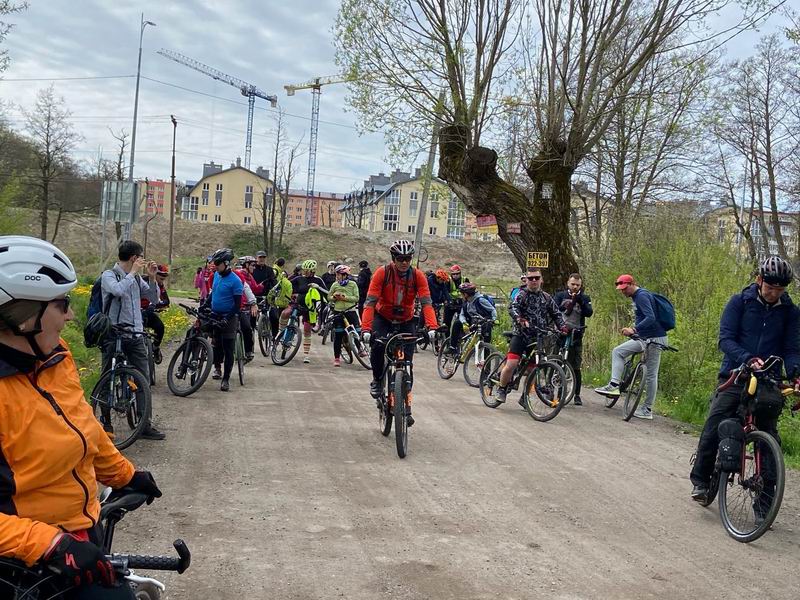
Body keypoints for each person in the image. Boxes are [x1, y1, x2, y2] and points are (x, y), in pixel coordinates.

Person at [0, 235, 162, 600]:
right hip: (23, 561)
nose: (72, 314)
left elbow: (83, 427)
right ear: (23, 314)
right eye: (62, 303)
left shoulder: (55, 356)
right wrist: (52, 544)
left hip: (78, 536)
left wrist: (124, 474)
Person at [689, 256, 800, 503]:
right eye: (770, 287)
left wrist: (794, 372)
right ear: (759, 280)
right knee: (714, 424)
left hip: (768, 380)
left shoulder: (791, 313)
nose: (774, 293)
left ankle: (765, 502)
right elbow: (725, 339)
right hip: (736, 374)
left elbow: (792, 349)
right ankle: (701, 480)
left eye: (779, 289)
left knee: (769, 437)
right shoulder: (739, 302)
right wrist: (748, 359)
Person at [361, 240, 438, 427]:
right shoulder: (382, 273)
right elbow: (370, 303)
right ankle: (377, 380)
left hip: (406, 320)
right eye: (400, 258)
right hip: (383, 317)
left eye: (408, 258)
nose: (404, 262)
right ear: (393, 258)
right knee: (378, 348)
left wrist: (432, 327)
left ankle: (404, 401)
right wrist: (366, 329)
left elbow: (427, 303)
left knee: (408, 363)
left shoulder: (417, 276)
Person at [101, 240, 164, 440]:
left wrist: (153, 278)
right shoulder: (109, 275)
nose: (142, 261)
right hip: (114, 334)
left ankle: (144, 424)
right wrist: (132, 273)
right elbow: (117, 291)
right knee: (107, 377)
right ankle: (105, 422)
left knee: (143, 379)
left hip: (136, 334)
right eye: (140, 257)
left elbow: (153, 298)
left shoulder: (136, 279)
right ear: (134, 258)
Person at [594, 274, 668, 420]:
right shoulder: (637, 296)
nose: (623, 292)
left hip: (655, 338)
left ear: (632, 284)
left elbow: (651, 317)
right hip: (644, 337)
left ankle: (647, 409)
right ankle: (614, 384)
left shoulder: (641, 295)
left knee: (651, 374)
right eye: (620, 289)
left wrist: (634, 329)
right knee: (618, 351)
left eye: (624, 288)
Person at [495, 267, 567, 405]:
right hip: (521, 335)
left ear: (541, 280)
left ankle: (524, 397)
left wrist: (562, 327)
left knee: (533, 369)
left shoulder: (546, 297)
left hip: (538, 337)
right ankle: (502, 389)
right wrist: (520, 319)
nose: (534, 281)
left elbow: (556, 314)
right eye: (530, 278)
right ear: (526, 280)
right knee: (511, 365)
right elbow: (513, 308)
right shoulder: (522, 295)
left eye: (537, 278)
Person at [554, 273, 593, 406]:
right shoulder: (560, 295)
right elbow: (554, 309)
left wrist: (580, 300)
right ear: (568, 283)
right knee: (557, 362)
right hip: (560, 333)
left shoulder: (585, 297)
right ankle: (555, 392)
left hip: (576, 335)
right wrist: (567, 304)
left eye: (578, 285)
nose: (575, 287)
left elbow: (589, 312)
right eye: (573, 284)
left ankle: (576, 394)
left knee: (575, 366)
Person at [208, 248, 243, 391]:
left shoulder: (236, 281)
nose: (215, 266)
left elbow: (237, 306)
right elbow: (213, 293)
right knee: (216, 345)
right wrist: (205, 305)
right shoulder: (216, 275)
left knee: (228, 349)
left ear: (226, 263)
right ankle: (217, 367)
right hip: (215, 314)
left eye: (217, 263)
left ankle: (226, 379)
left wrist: (227, 319)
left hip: (229, 317)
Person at [283, 259, 326, 364]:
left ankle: (306, 355)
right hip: (297, 304)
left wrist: (318, 287)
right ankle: (281, 332)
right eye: (304, 270)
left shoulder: (318, 280)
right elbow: (286, 285)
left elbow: (326, 293)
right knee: (286, 313)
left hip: (310, 308)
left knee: (307, 329)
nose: (304, 272)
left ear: (312, 271)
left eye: (307, 270)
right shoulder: (298, 278)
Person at [452, 282, 497, 360]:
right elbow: (462, 314)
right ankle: (452, 347)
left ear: (465, 294)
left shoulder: (480, 300)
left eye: (461, 294)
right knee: (457, 323)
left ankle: (486, 367)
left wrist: (494, 319)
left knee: (486, 343)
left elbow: (492, 310)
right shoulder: (466, 302)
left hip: (485, 322)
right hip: (473, 321)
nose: (461, 295)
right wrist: (464, 323)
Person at [327, 264, 361, 367]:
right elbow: (329, 297)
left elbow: (356, 298)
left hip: (350, 311)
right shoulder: (334, 285)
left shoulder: (353, 284)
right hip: (338, 312)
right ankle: (337, 358)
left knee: (357, 331)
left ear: (345, 275)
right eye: (336, 274)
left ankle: (360, 349)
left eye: (339, 274)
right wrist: (334, 297)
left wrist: (344, 298)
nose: (337, 276)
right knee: (338, 335)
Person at [235, 256, 263, 362]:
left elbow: (253, 288)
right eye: (252, 265)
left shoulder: (249, 276)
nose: (254, 267)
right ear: (246, 265)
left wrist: (262, 286)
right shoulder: (239, 274)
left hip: (248, 304)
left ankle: (248, 351)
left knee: (248, 328)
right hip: (239, 305)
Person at [141, 263, 171, 364]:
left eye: (164, 279)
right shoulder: (143, 280)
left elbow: (166, 301)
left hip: (148, 312)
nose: (162, 281)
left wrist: (154, 306)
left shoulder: (160, 285)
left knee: (160, 327)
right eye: (161, 278)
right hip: (137, 312)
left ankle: (155, 348)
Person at [444, 265, 465, 352]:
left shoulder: (465, 279)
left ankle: (459, 339)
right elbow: (445, 291)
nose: (455, 276)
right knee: (446, 323)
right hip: (450, 303)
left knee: (461, 321)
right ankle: (447, 343)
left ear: (460, 273)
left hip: (460, 303)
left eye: (457, 274)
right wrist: (448, 301)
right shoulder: (448, 281)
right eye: (454, 274)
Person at [267, 268, 293, 338]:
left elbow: (271, 293)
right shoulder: (287, 283)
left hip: (275, 304)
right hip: (283, 304)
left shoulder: (277, 281)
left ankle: (274, 336)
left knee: (274, 319)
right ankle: (279, 334)